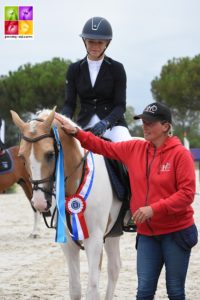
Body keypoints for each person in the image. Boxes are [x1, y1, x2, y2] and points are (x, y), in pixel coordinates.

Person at [57, 102, 198, 300]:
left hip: (175, 233)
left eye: (150, 123)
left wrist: (153, 209)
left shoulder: (181, 154)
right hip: (148, 234)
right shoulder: (135, 148)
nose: (144, 126)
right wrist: (78, 134)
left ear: (165, 126)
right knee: (144, 292)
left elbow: (186, 194)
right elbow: (102, 146)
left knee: (175, 290)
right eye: (143, 122)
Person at [62, 16, 131, 142]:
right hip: (83, 124)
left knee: (129, 151)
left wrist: (106, 123)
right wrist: (63, 122)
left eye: (100, 42)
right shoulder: (74, 69)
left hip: (113, 126)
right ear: (85, 41)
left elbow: (120, 106)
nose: (95, 46)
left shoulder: (117, 68)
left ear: (107, 43)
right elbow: (69, 104)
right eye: (91, 41)